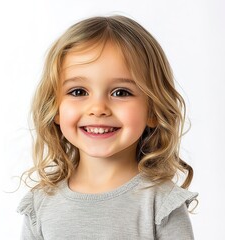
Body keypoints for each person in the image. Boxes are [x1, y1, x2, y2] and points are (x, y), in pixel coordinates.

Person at [17, 15, 198, 239]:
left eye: (121, 92)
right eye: (78, 92)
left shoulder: (160, 203)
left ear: (153, 110)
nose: (98, 108)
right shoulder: (41, 204)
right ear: (55, 108)